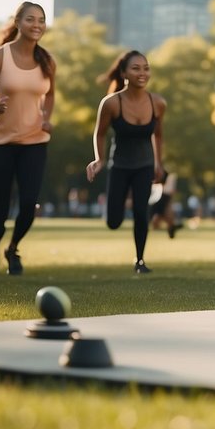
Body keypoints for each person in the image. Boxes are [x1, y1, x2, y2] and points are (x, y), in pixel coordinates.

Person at [0, 1, 56, 276]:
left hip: (35, 140)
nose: (37, 25)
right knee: (0, 210)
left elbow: (50, 93)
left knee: (29, 206)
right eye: (31, 19)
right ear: (18, 22)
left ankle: (13, 248)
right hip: (0, 142)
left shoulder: (47, 61)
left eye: (41, 20)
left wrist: (46, 116)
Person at [86, 50, 168, 273]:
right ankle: (119, 208)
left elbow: (158, 136)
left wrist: (159, 164)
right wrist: (99, 159)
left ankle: (140, 260)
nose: (142, 73)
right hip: (120, 166)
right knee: (114, 222)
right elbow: (100, 133)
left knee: (142, 213)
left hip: (144, 166)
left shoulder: (158, 103)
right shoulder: (112, 103)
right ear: (123, 73)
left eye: (146, 68)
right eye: (135, 68)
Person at [150, 167, 179, 239]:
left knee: (160, 215)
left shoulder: (170, 177)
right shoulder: (169, 177)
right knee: (161, 215)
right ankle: (172, 227)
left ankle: (171, 227)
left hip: (164, 196)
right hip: (162, 196)